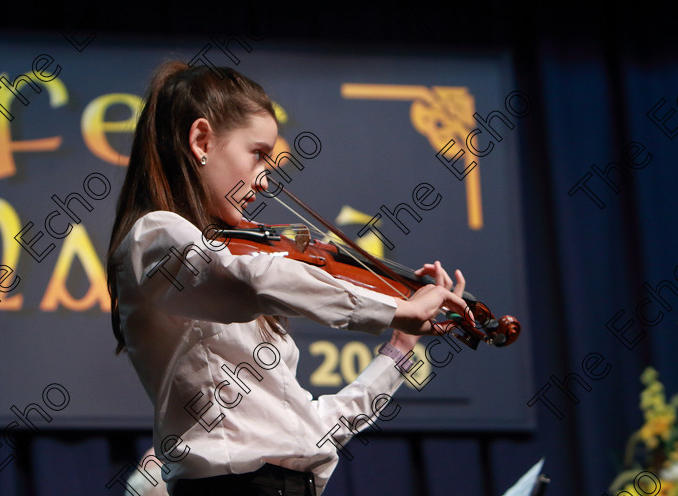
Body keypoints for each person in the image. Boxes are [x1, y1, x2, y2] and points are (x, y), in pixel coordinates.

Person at [106, 61, 468, 496]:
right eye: (257, 154)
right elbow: (251, 280)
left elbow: (310, 434)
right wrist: (394, 307)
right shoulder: (156, 236)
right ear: (201, 140)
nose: (265, 179)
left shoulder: (224, 258)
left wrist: (398, 351)